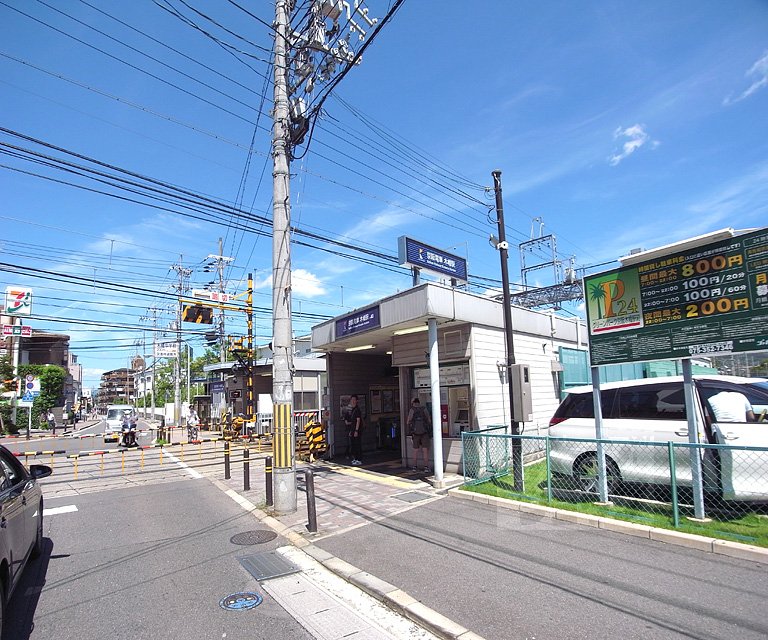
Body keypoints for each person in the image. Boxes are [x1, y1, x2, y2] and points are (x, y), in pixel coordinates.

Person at [407, 398, 432, 472]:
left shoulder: (412, 410)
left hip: (415, 434)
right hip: (424, 433)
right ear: (419, 402)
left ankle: (414, 467)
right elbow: (429, 420)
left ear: (413, 403)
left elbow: (408, 421)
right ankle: (426, 467)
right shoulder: (424, 409)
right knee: (425, 450)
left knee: (415, 450)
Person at [346, 394, 363, 466]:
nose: (352, 401)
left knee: (357, 444)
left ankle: (359, 459)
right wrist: (351, 431)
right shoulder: (352, 410)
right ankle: (355, 458)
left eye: (354, 400)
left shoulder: (357, 410)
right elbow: (352, 422)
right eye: (351, 400)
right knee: (353, 445)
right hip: (353, 430)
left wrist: (356, 430)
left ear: (357, 401)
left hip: (357, 430)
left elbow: (358, 420)